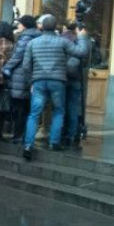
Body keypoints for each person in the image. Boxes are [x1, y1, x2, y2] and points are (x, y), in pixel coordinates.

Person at [21, 15, 89, 160]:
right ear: (55, 27)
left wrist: (30, 82)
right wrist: (82, 36)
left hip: (38, 81)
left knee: (34, 114)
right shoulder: (62, 42)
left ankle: (28, 145)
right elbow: (82, 52)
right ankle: (54, 142)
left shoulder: (33, 43)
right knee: (58, 111)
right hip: (58, 81)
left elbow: (26, 66)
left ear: (42, 27)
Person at [2, 15, 40, 144]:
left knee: (19, 109)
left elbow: (17, 56)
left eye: (20, 23)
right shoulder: (37, 35)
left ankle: (18, 136)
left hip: (21, 76)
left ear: (24, 25)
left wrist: (7, 68)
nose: (18, 25)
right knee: (26, 108)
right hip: (30, 76)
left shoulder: (26, 37)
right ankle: (24, 136)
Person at [62, 21, 85, 149]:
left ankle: (61, 133)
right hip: (76, 78)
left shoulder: (61, 39)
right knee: (73, 107)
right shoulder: (80, 40)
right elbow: (85, 54)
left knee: (60, 107)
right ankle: (72, 134)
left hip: (62, 77)